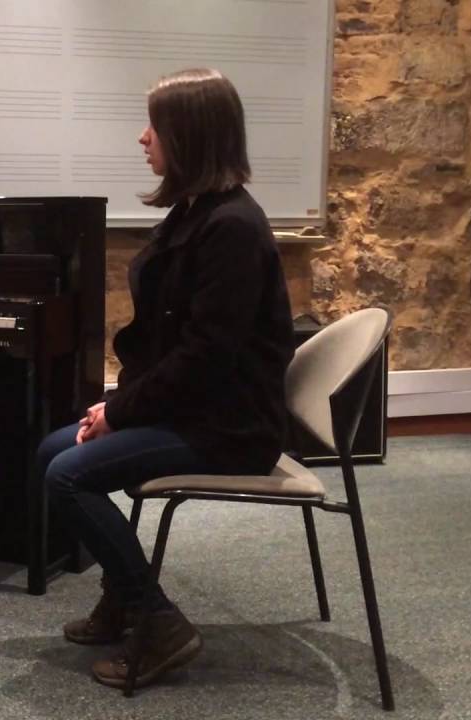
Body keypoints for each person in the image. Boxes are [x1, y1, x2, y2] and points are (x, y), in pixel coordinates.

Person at [37, 68, 295, 689]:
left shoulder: (232, 228)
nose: (142, 137)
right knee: (51, 451)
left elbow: (205, 358)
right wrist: (118, 407)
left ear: (190, 134)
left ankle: (157, 620)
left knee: (67, 475)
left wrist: (120, 412)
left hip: (230, 427)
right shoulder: (195, 213)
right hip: (196, 410)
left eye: (155, 125)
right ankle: (124, 597)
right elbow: (170, 350)